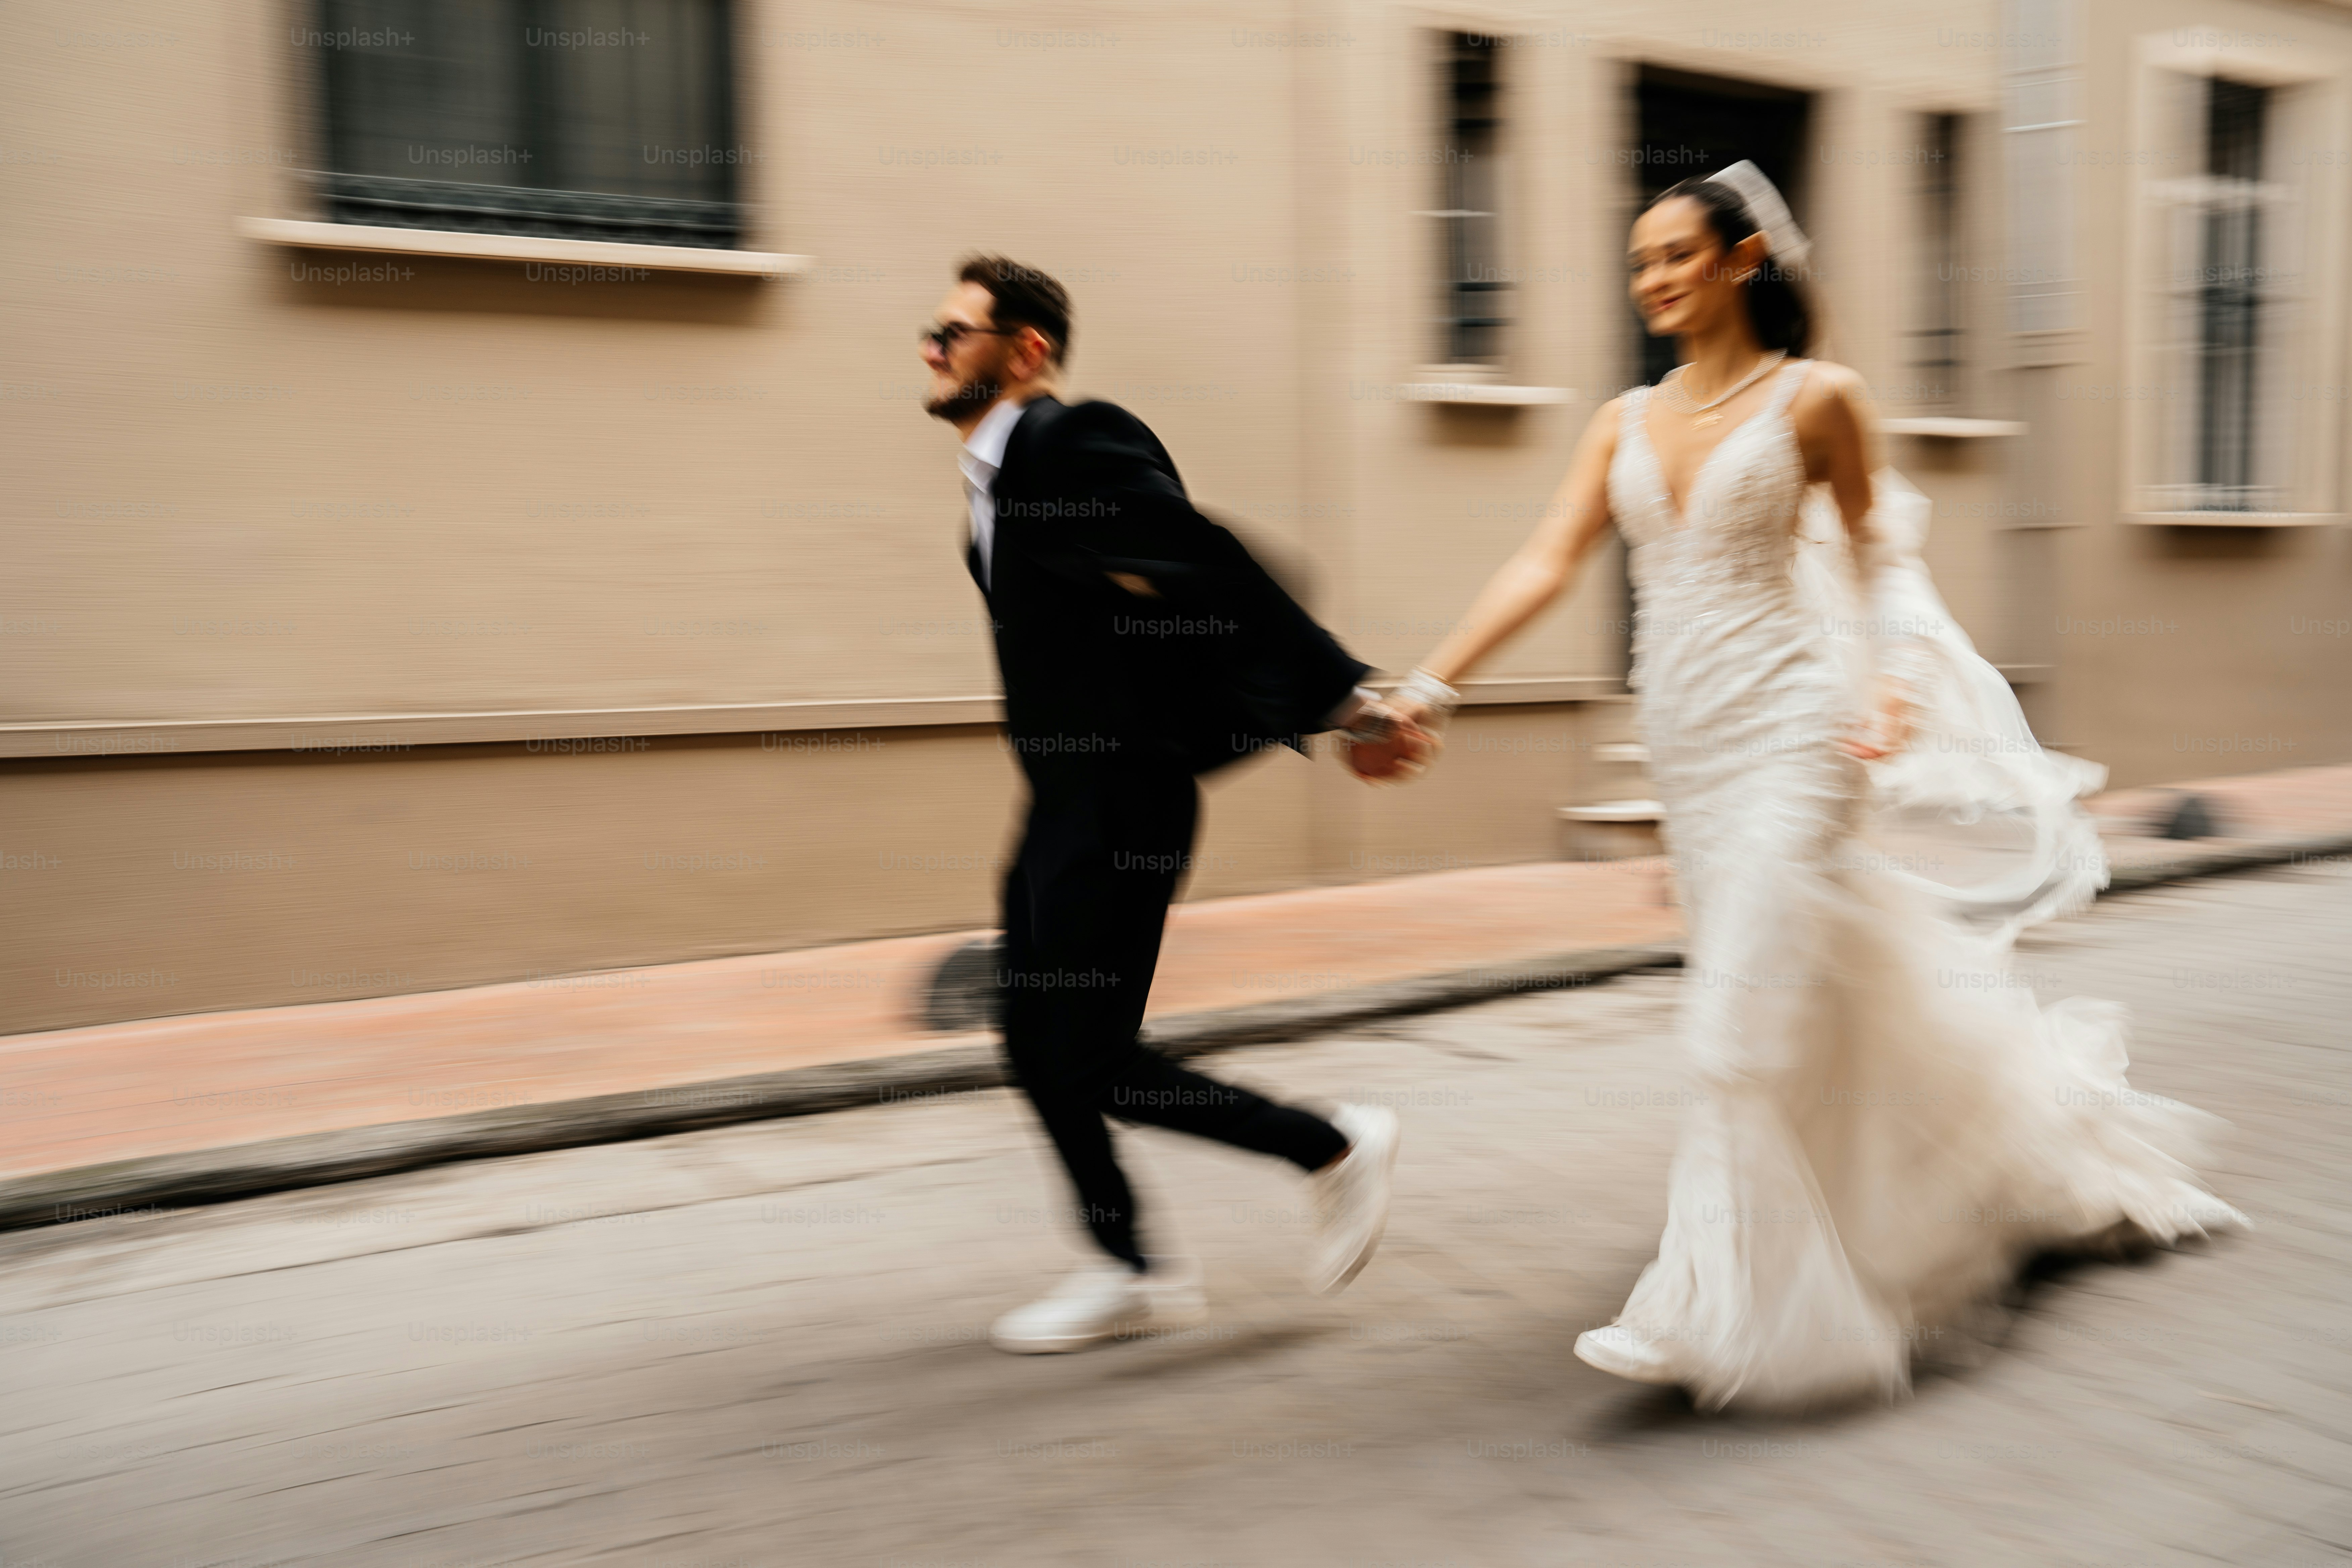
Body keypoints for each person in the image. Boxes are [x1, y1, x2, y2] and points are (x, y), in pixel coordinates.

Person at [1370, 165, 2244, 1410]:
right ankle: (1955, 1172)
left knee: (1735, 1017)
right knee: (1803, 988)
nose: (1654, 280)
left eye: (1675, 254)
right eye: (1638, 262)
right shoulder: (1622, 420)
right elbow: (1545, 559)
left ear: (1739, 261)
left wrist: (1889, 681)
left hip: (1796, 733)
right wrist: (1431, 687)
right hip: (1691, 743)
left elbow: (1883, 558)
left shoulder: (1819, 399)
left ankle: (1720, 1304)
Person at [921, 255, 1425, 1354]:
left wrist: (1348, 703)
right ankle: (1132, 1267)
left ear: (1027, 349)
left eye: (954, 332)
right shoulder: (992, 499)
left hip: (1122, 806)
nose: (932, 349)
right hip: (1067, 801)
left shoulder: (1068, 440)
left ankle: (1329, 1145)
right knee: (1030, 1038)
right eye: (932, 333)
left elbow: (1208, 567)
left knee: (1090, 1055)